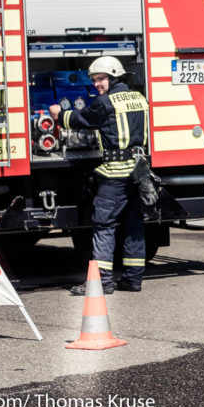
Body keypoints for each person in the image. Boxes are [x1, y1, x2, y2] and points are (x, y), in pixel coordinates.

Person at [50, 56, 150, 295]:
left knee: (104, 227)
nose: (97, 84)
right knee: (134, 226)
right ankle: (133, 280)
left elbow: (80, 119)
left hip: (115, 174)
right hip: (139, 172)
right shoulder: (139, 98)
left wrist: (58, 115)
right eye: (94, 80)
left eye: (101, 79)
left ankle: (103, 282)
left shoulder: (105, 103)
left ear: (114, 76)